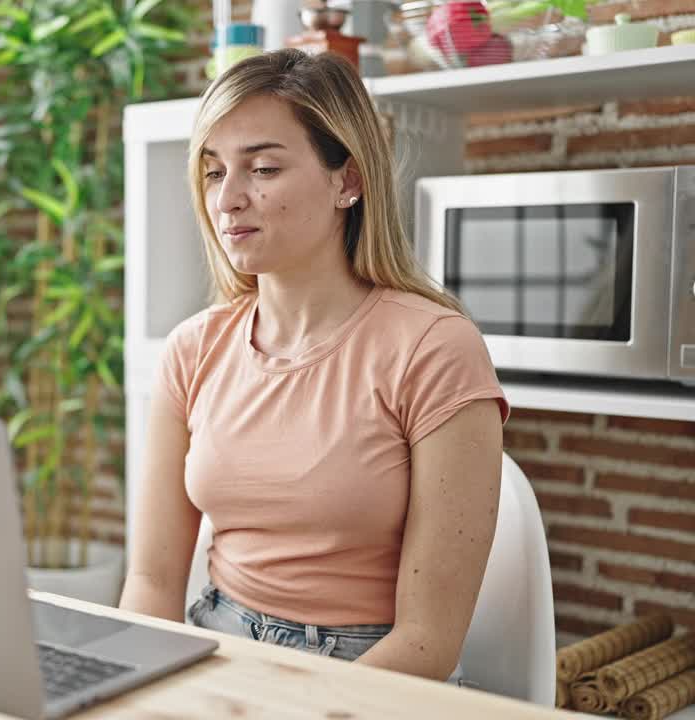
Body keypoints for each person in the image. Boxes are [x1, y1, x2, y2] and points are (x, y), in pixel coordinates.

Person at [118, 49, 509, 683]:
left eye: (264, 168)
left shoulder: (435, 349)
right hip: (215, 651)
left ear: (347, 181)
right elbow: (151, 583)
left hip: (371, 674)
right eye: (214, 173)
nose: (228, 200)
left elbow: (426, 643)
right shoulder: (193, 349)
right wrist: (133, 688)